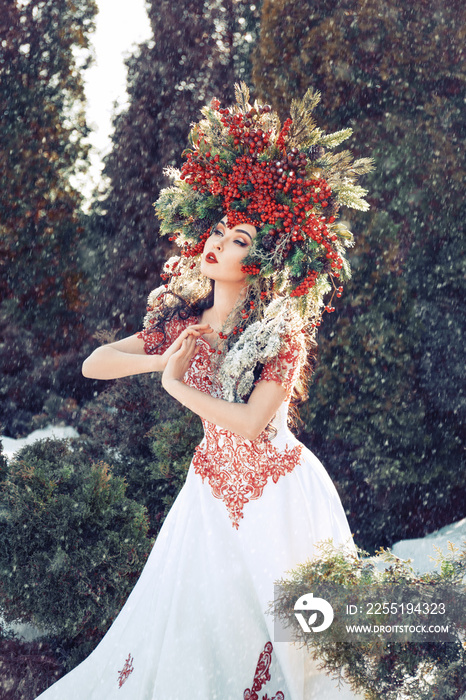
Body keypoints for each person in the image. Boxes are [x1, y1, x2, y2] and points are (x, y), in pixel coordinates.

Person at [36, 84, 372, 699]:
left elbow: (250, 425)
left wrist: (175, 385)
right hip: (209, 494)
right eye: (219, 229)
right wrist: (167, 356)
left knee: (301, 651)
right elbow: (93, 364)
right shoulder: (182, 316)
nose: (219, 241)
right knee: (199, 635)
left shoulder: (278, 332)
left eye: (240, 237)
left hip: (280, 494)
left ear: (265, 259)